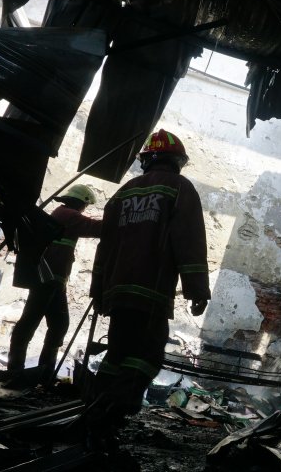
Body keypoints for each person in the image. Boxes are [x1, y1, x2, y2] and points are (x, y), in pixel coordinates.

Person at [87, 128, 211, 449]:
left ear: (145, 161)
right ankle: (112, 416)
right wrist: (197, 289)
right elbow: (190, 241)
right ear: (177, 162)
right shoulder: (180, 189)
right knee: (146, 356)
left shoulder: (123, 193)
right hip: (151, 293)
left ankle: (95, 410)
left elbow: (106, 246)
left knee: (117, 354)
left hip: (117, 294)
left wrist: (99, 290)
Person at [8, 184, 102, 374]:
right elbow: (96, 228)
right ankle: (16, 369)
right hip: (48, 281)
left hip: (54, 282)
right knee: (29, 323)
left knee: (58, 325)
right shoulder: (68, 215)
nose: (85, 210)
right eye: (85, 206)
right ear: (80, 203)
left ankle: (44, 372)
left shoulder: (61, 213)